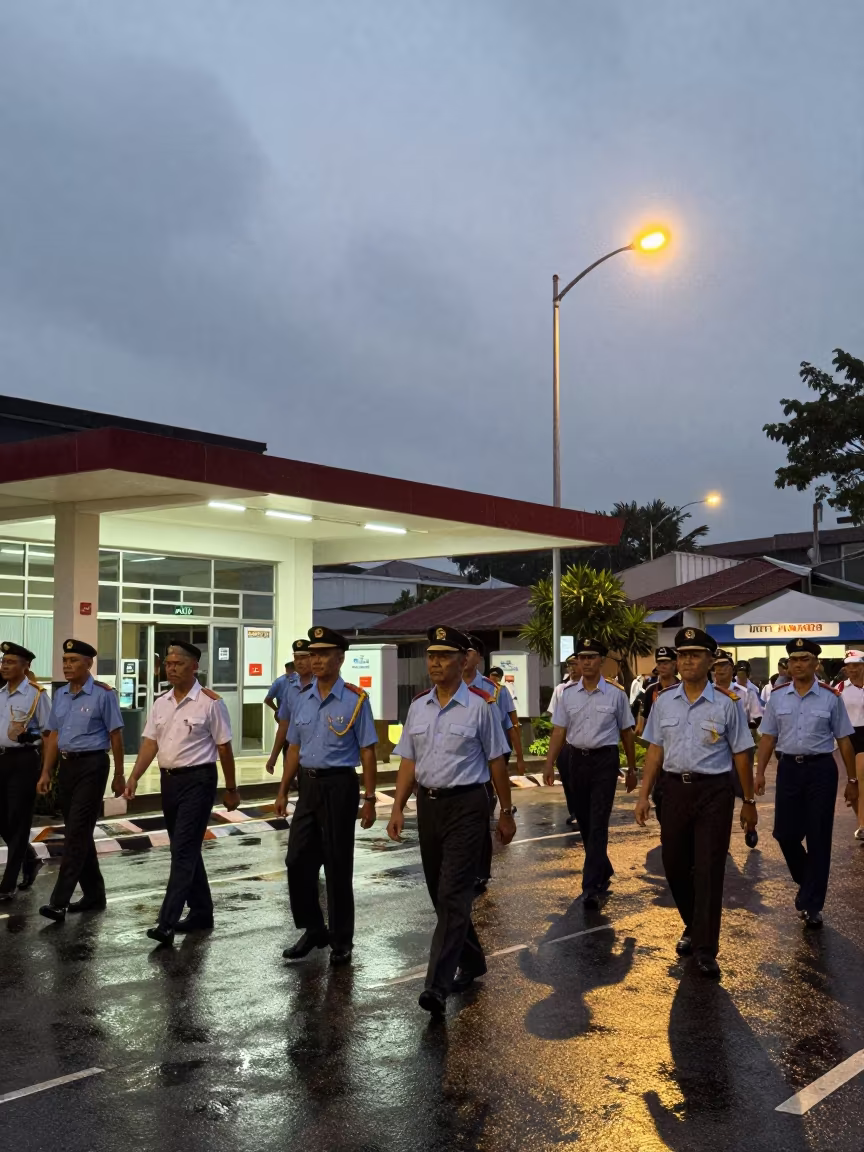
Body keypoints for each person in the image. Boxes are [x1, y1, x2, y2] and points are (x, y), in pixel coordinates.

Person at [387, 625, 514, 1015]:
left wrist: (506, 812)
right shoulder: (419, 706)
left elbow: (496, 760)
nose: (436, 663)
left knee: (452, 893)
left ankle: (437, 986)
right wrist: (397, 806)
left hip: (467, 806)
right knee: (438, 894)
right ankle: (473, 960)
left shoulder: (481, 705)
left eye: (444, 656)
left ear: (463, 661)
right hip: (429, 806)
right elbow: (410, 759)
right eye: (431, 656)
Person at [635, 627, 756, 978]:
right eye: (682, 654)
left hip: (713, 793)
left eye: (696, 654)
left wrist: (747, 801)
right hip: (673, 792)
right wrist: (644, 794)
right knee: (673, 865)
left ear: (710, 660)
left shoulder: (727, 703)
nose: (687, 660)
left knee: (708, 870)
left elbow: (742, 755)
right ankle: (693, 924)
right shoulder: (663, 701)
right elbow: (655, 749)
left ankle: (705, 948)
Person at [124, 640, 240, 945]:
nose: (171, 668)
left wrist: (231, 788)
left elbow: (224, 748)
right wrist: (134, 776)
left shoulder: (210, 702)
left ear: (194, 667)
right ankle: (202, 911)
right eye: (168, 664)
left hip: (199, 780)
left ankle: (167, 921)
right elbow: (150, 742)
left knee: (183, 851)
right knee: (184, 847)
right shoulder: (161, 702)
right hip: (169, 781)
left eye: (178, 664)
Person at [275, 626, 378, 966]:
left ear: (339, 658)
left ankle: (341, 940)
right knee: (296, 861)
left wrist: (370, 798)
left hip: (339, 786)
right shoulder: (300, 698)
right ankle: (314, 928)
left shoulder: (355, 699)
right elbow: (294, 746)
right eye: (312, 654)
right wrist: (282, 789)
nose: (315, 660)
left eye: (322, 654)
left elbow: (367, 751)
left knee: (337, 865)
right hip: (308, 786)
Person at [756, 638, 857, 928]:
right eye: (793, 659)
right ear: (788, 664)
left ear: (816, 664)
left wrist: (852, 780)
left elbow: (844, 741)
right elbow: (767, 738)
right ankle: (808, 881)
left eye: (804, 659)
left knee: (818, 836)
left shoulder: (830, 697)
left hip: (821, 771)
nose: (797, 664)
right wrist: (760, 772)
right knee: (784, 834)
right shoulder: (777, 696)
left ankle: (812, 904)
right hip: (789, 769)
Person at [543, 638, 637, 909]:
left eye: (591, 658)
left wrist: (631, 769)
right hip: (576, 761)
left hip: (604, 762)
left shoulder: (616, 694)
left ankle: (591, 886)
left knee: (598, 822)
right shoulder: (567, 694)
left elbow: (627, 733)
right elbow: (559, 730)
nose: (585, 662)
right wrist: (549, 764)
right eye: (581, 658)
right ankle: (603, 868)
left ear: (601, 661)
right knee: (584, 820)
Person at [38, 639, 125, 921]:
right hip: (67, 766)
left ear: (88, 664)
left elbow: (116, 736)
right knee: (79, 830)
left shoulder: (103, 694)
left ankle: (59, 901)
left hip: (93, 765)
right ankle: (94, 895)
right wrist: (46, 772)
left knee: (76, 832)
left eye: (74, 660)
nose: (67, 665)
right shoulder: (61, 695)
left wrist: (121, 775)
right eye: (65, 661)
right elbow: (52, 736)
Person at [464, 634, 523, 892]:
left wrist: (519, 757)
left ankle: (480, 870)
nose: (464, 656)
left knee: (482, 816)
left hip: (488, 761)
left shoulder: (494, 690)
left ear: (479, 657)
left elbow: (509, 725)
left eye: (469, 651)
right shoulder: (447, 687)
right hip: (461, 764)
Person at [0, 642, 50, 902]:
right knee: (3, 821)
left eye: (10, 662)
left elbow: (50, 732)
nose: (4, 666)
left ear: (25, 666)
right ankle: (30, 859)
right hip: (1, 761)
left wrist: (28, 736)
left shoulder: (37, 694)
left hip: (24, 761)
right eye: (3, 661)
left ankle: (8, 883)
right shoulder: (0, 694)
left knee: (19, 821)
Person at [712, 651, 759, 848]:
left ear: (732, 669)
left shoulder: (746, 693)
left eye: (725, 665)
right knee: (722, 795)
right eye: (717, 666)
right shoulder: (708, 693)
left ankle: (750, 826)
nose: (721, 670)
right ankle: (722, 839)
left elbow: (757, 717)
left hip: (741, 747)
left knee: (744, 788)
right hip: (716, 749)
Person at [635, 646, 679, 823]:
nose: (663, 666)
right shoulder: (651, 690)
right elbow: (643, 722)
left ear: (674, 664)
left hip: (677, 750)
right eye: (660, 663)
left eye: (666, 662)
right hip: (658, 750)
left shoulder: (683, 688)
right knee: (660, 797)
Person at [265, 639, 314, 775]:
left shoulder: (322, 687)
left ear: (313, 658)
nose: (299, 662)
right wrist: (273, 757)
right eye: (296, 658)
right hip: (293, 749)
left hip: (316, 756)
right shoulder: (291, 688)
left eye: (304, 657)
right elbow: (283, 726)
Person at [548, 654, 581, 826]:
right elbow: (556, 721)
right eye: (570, 665)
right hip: (565, 744)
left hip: (582, 743)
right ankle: (574, 811)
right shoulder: (561, 690)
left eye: (576, 664)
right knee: (568, 781)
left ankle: (584, 811)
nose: (573, 668)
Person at [837, 653, 864, 840]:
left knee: (862, 775)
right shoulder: (839, 688)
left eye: (856, 665)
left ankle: (862, 825)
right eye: (849, 666)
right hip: (849, 735)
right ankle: (861, 821)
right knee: (854, 780)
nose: (852, 669)